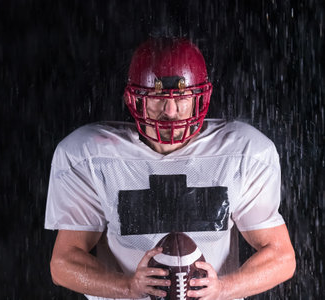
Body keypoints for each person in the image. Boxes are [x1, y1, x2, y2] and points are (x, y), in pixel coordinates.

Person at [44, 37, 296, 300]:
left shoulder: (244, 152)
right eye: (157, 96)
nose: (170, 110)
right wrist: (127, 287)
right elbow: (63, 264)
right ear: (135, 99)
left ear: (200, 97)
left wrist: (223, 289)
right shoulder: (91, 155)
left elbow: (282, 257)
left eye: (182, 96)